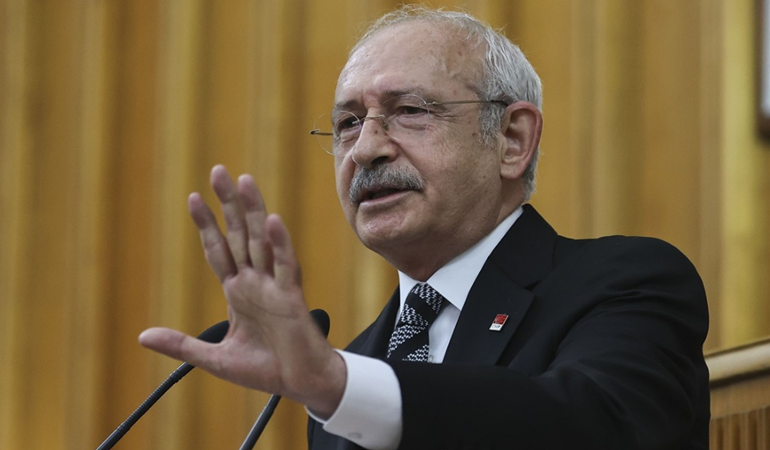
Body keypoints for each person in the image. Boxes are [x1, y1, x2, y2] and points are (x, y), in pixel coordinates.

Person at [139, 6, 709, 450]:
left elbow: (593, 426)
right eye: (348, 122)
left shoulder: (626, 283)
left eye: (410, 111)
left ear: (512, 140)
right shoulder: (357, 362)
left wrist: (339, 386)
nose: (365, 149)